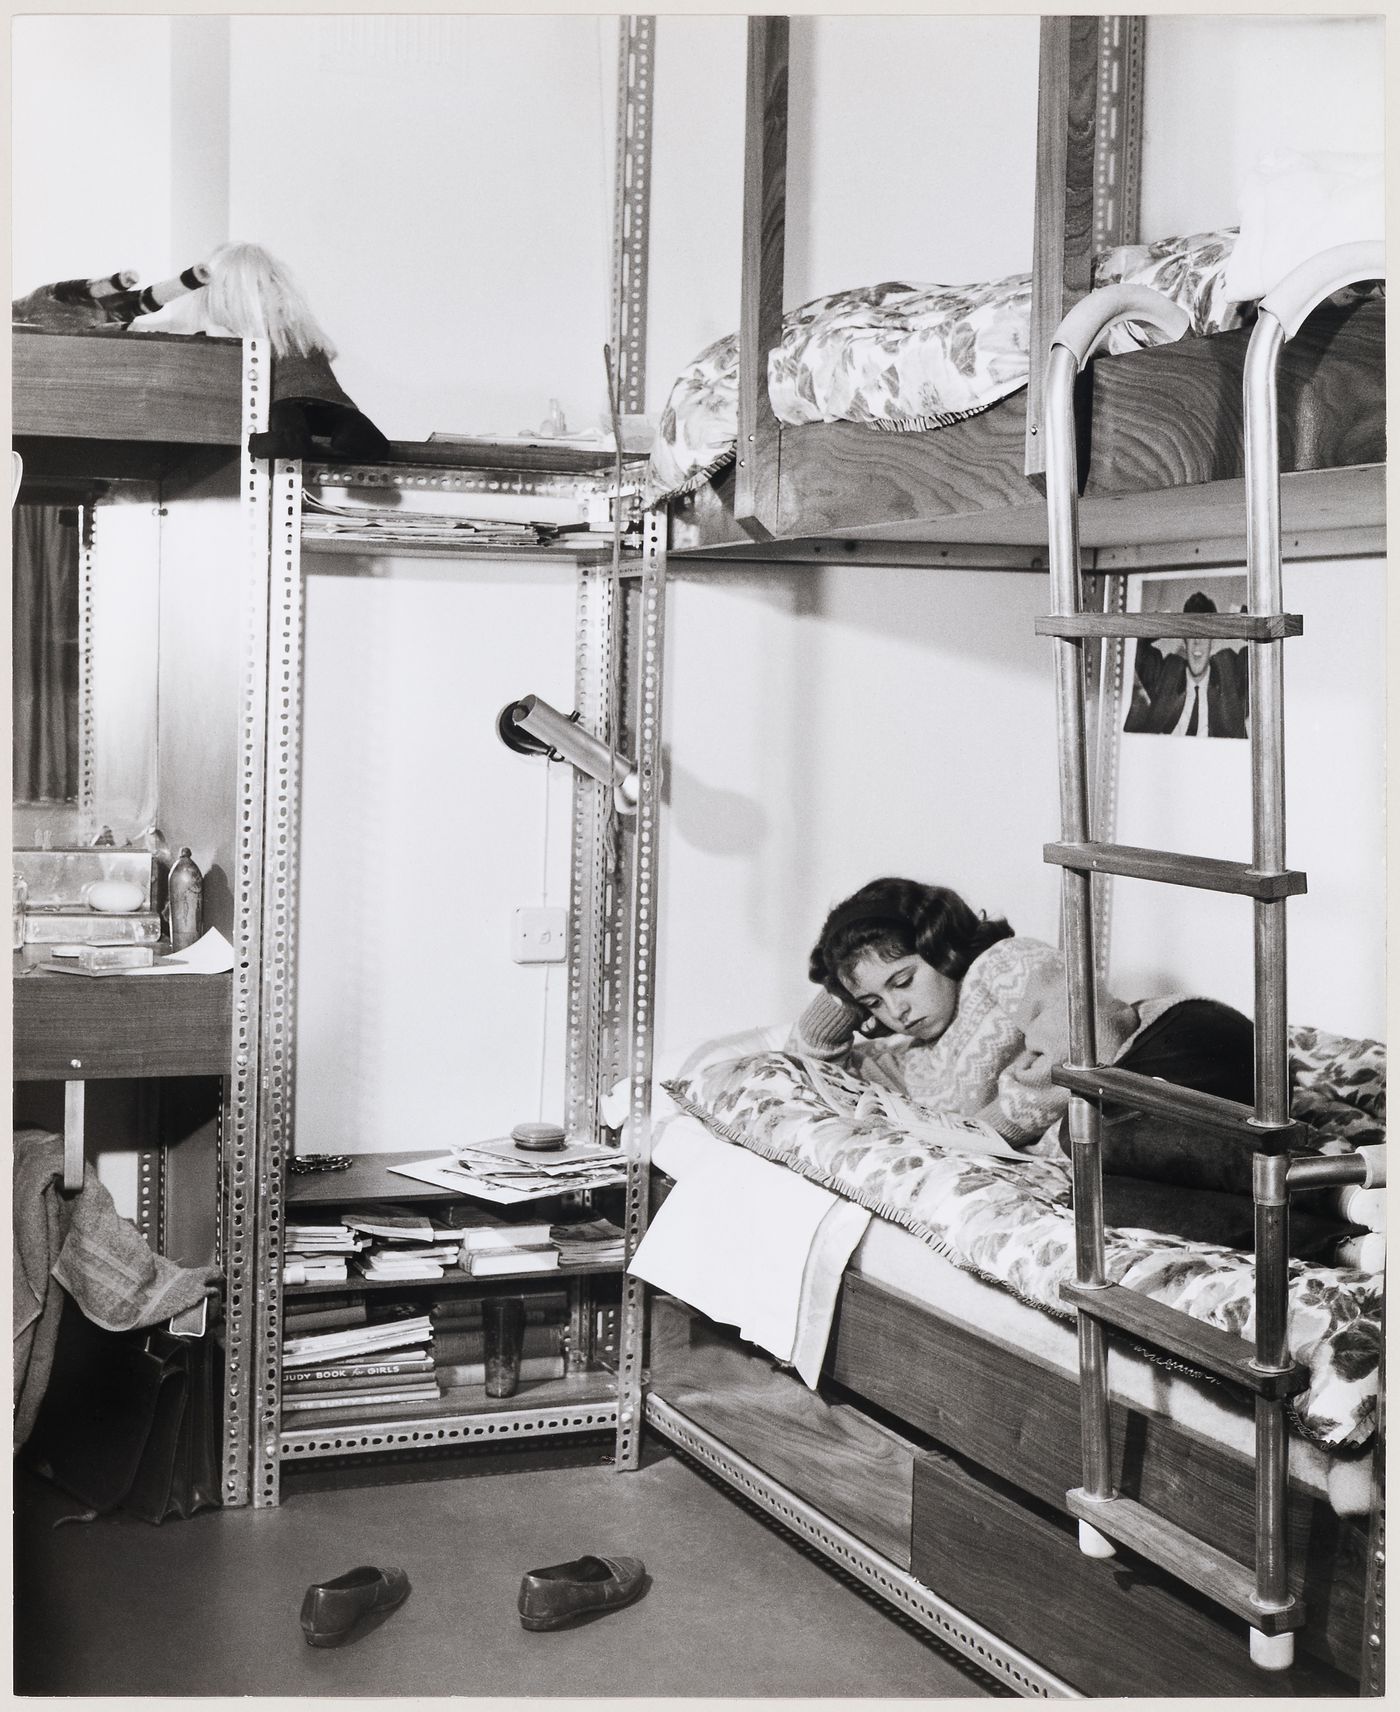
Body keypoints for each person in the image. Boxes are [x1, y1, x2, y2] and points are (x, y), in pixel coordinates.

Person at [786, 877, 1371, 1262]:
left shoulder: (999, 966)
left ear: (938, 948)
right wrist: (843, 984)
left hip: (1177, 1044)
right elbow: (808, 1055)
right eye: (874, 1005)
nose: (897, 1010)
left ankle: (1338, 1178)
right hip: (1124, 1120)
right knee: (1090, 1200)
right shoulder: (899, 1061)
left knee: (1082, 1135)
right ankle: (1347, 1239)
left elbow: (1090, 1036)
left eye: (903, 980)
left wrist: (997, 1127)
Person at [1123, 591, 1249, 738]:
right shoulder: (1168, 673)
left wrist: (1242, 617)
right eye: (1191, 634)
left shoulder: (1229, 670)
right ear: (1184, 641)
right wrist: (1159, 621)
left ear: (1213, 642)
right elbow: (1132, 646)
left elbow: (1263, 652)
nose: (1197, 642)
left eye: (1204, 634)